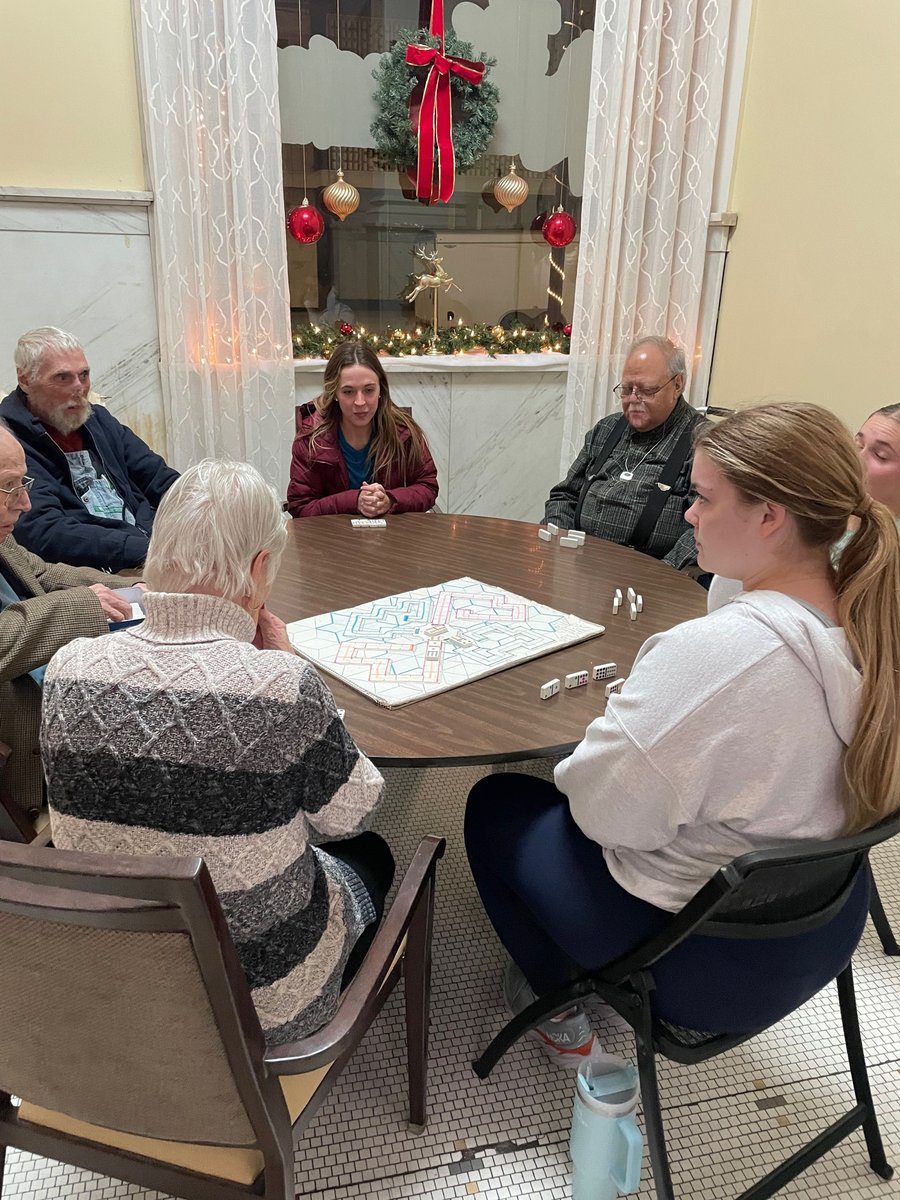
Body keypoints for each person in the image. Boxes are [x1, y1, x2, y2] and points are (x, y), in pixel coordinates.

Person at [466, 402, 900, 1065]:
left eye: (702, 498)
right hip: (823, 932)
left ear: (769, 516)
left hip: (700, 968)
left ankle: (555, 1000)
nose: (689, 515)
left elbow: (601, 815)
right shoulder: (873, 625)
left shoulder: (718, 656)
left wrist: (621, 731)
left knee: (496, 804)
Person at [41, 459, 393, 1045]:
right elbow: (352, 814)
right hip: (262, 1011)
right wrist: (295, 672)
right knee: (372, 857)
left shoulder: (67, 668)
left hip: (117, 982)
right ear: (258, 568)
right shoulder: (281, 686)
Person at [0, 419, 136, 819]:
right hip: (26, 762)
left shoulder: (2, 536)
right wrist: (84, 605)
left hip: (66, 707)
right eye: (9, 486)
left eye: (23, 484)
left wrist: (137, 587)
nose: (24, 504)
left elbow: (43, 573)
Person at [0, 326, 179, 571]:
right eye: (63, 377)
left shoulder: (99, 420)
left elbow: (160, 479)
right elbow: (45, 532)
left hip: (151, 548)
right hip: (92, 570)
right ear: (25, 380)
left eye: (84, 375)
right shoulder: (8, 441)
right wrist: (150, 551)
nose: (79, 388)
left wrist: (208, 511)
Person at [707, 401, 900, 610]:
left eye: (880, 455)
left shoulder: (886, 552)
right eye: (857, 444)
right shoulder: (815, 512)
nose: (858, 459)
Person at [544, 335, 703, 570]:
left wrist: (664, 575)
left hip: (649, 576)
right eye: (627, 389)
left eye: (647, 390)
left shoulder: (703, 444)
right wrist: (558, 544)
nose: (633, 400)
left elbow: (705, 528)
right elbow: (564, 496)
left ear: (677, 385)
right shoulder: (607, 429)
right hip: (579, 564)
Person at [287, 342, 439, 518]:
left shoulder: (404, 431)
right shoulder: (311, 439)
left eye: (369, 390)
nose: (360, 402)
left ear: (381, 389)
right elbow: (300, 507)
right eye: (348, 392)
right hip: (330, 534)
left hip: (393, 533)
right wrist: (354, 501)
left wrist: (390, 500)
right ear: (334, 393)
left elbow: (427, 486)